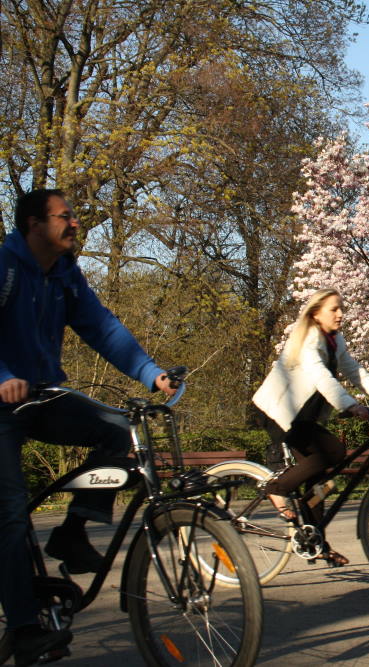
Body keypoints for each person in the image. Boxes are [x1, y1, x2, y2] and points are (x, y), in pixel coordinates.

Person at [0, 189, 176, 663]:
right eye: (65, 216)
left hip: (40, 397)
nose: (75, 223)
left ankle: (72, 533)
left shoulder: (63, 274)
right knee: (11, 517)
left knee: (119, 430)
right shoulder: (7, 266)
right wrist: (2, 377)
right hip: (0, 404)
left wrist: (148, 371)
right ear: (35, 224)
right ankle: (22, 628)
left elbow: (101, 327)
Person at [252, 288, 369, 565]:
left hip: (304, 417)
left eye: (342, 308)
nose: (341, 314)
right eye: (334, 309)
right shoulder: (307, 339)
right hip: (282, 414)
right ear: (316, 313)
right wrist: (350, 405)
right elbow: (320, 376)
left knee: (317, 483)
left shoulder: (334, 341)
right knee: (333, 453)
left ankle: (317, 542)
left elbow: (355, 372)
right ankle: (275, 488)